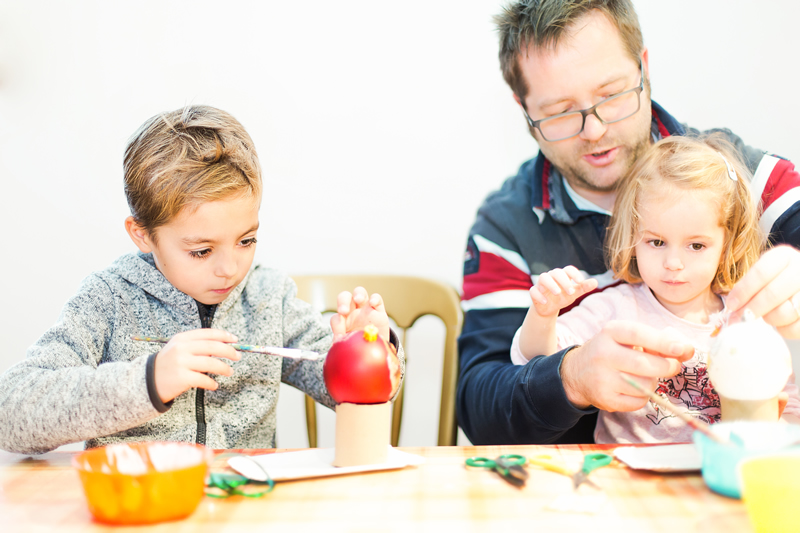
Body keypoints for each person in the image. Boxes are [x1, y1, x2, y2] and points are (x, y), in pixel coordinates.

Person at [458, 0, 800, 445]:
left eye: (612, 94)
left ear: (643, 68)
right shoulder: (506, 229)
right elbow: (482, 407)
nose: (594, 129)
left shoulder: (748, 179)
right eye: (560, 110)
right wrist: (570, 378)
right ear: (524, 108)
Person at [0, 105, 404, 455]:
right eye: (201, 251)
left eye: (246, 240)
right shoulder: (108, 301)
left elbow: (357, 391)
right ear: (143, 235)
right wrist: (149, 379)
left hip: (245, 505)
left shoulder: (268, 298)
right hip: (142, 509)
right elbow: (11, 414)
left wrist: (366, 353)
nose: (229, 268)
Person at [510, 135, 800, 443]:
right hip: (625, 479)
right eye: (657, 242)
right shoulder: (614, 309)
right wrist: (544, 313)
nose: (673, 262)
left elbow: (788, 404)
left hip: (714, 478)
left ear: (726, 246)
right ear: (634, 239)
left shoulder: (749, 320)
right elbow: (530, 360)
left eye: (696, 245)